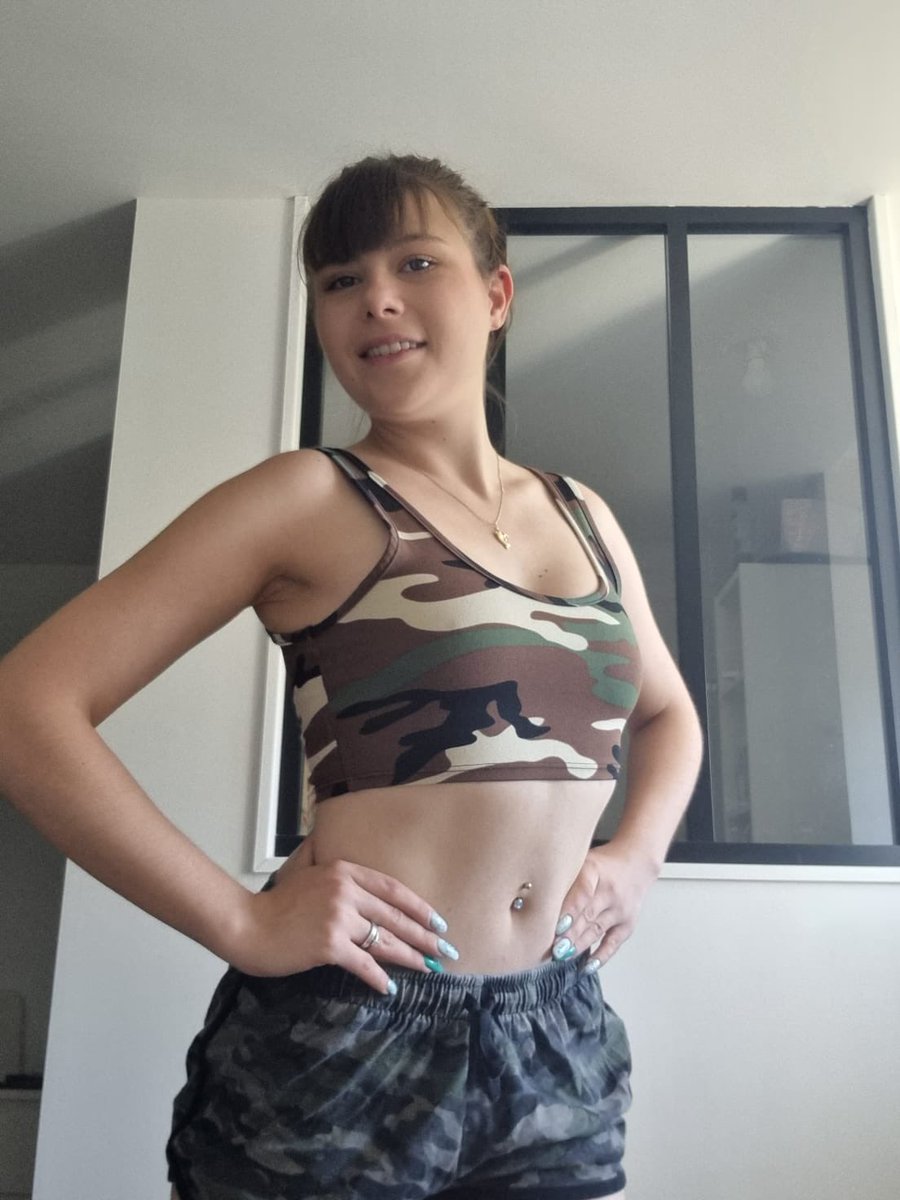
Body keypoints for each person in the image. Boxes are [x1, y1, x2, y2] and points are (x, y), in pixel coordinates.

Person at [0, 153, 703, 1200]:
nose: (376, 297)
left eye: (415, 262)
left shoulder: (584, 515)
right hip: (352, 1034)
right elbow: (26, 706)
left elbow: (670, 714)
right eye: (340, 279)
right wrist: (240, 921)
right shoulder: (308, 496)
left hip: (555, 1034)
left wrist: (637, 857)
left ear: (496, 294)